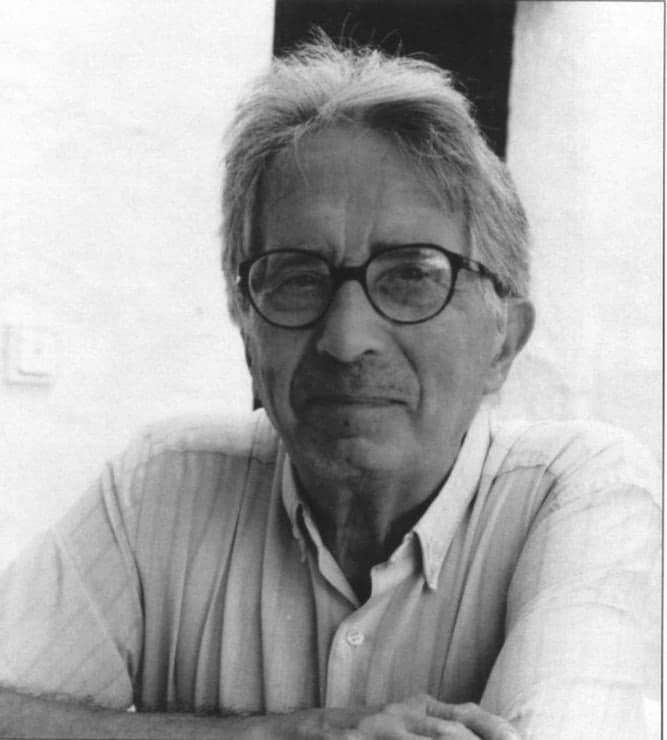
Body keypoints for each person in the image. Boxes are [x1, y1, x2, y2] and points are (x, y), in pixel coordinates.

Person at [0, 39, 659, 739]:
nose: (346, 339)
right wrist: (273, 736)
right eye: (297, 277)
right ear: (247, 332)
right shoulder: (164, 486)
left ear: (503, 341)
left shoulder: (573, 490)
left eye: (412, 275)